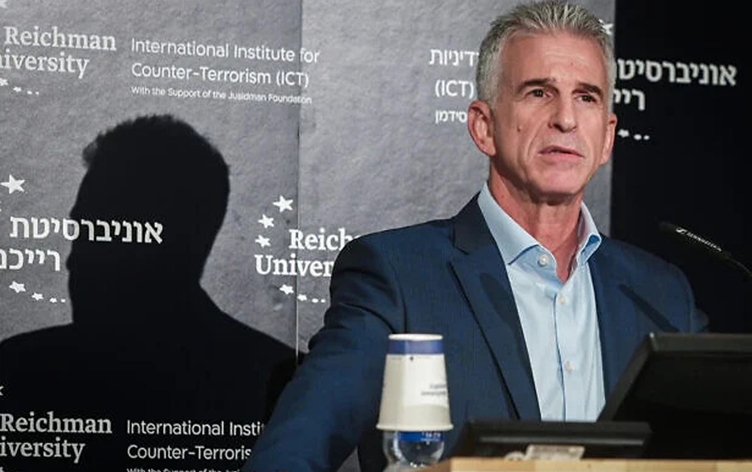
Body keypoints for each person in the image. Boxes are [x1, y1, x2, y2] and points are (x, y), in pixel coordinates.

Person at [242, 2, 707, 471]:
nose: (566, 118)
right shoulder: (399, 278)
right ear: (484, 127)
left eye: (586, 97)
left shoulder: (661, 296)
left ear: (606, 138)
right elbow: (287, 456)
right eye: (539, 92)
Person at [0, 115, 297, 471]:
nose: (73, 260)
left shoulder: (19, 369)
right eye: (82, 231)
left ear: (183, 243)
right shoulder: (283, 381)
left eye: (107, 232)